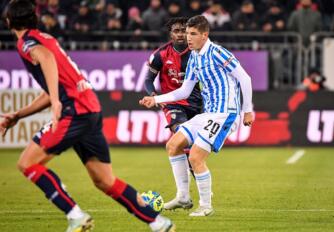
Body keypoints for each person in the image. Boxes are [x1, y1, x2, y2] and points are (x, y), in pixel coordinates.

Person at [0, 1, 175, 232]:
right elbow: (56, 83)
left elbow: (47, 60)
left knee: (27, 163)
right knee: (104, 180)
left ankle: (76, 216)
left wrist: (55, 101)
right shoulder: (45, 37)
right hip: (89, 108)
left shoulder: (27, 42)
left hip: (75, 111)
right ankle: (159, 222)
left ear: (8, 21)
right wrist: (19, 115)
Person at [140, 15, 254, 216]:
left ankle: (205, 205)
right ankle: (183, 197)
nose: (188, 38)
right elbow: (183, 91)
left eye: (192, 34)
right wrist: (155, 99)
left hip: (225, 113)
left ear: (204, 35)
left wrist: (247, 110)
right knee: (173, 146)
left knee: (195, 157)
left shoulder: (218, 53)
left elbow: (245, 78)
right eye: (186, 33)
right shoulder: (194, 57)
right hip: (208, 114)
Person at [144, 17, 202, 210]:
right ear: (170, 33)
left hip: (196, 105)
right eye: (176, 30)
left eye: (183, 31)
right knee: (181, 137)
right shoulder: (160, 55)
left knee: (193, 147)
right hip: (172, 104)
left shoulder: (196, 53)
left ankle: (185, 195)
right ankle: (186, 193)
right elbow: (148, 79)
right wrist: (152, 95)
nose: (180, 34)